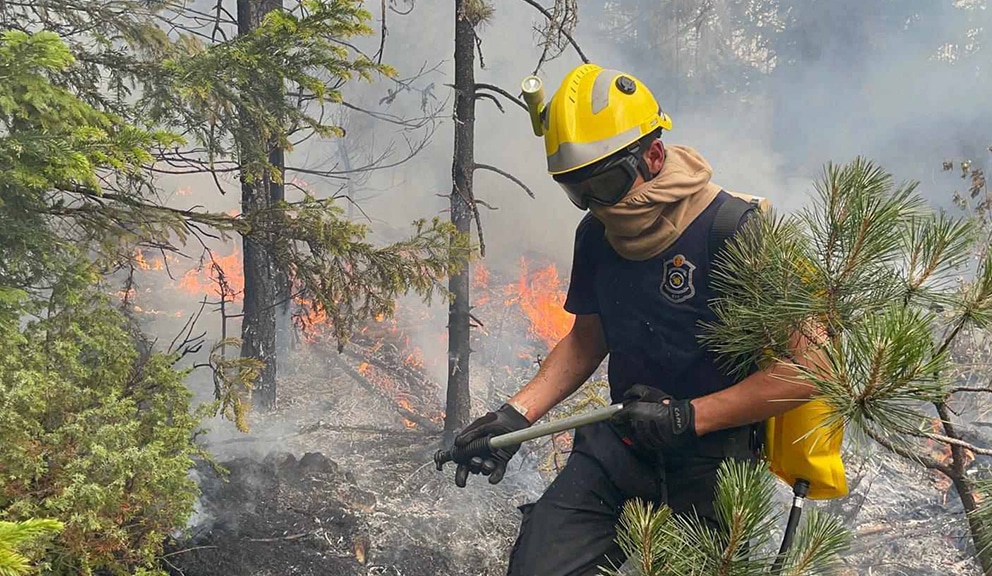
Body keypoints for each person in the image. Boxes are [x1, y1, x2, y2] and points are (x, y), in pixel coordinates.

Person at [449, 63, 821, 576]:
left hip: (712, 465)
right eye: (578, 191)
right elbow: (586, 340)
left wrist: (688, 417)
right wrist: (514, 417)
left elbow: (812, 368)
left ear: (653, 153)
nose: (596, 205)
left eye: (605, 182)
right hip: (621, 447)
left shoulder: (736, 231)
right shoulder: (596, 236)